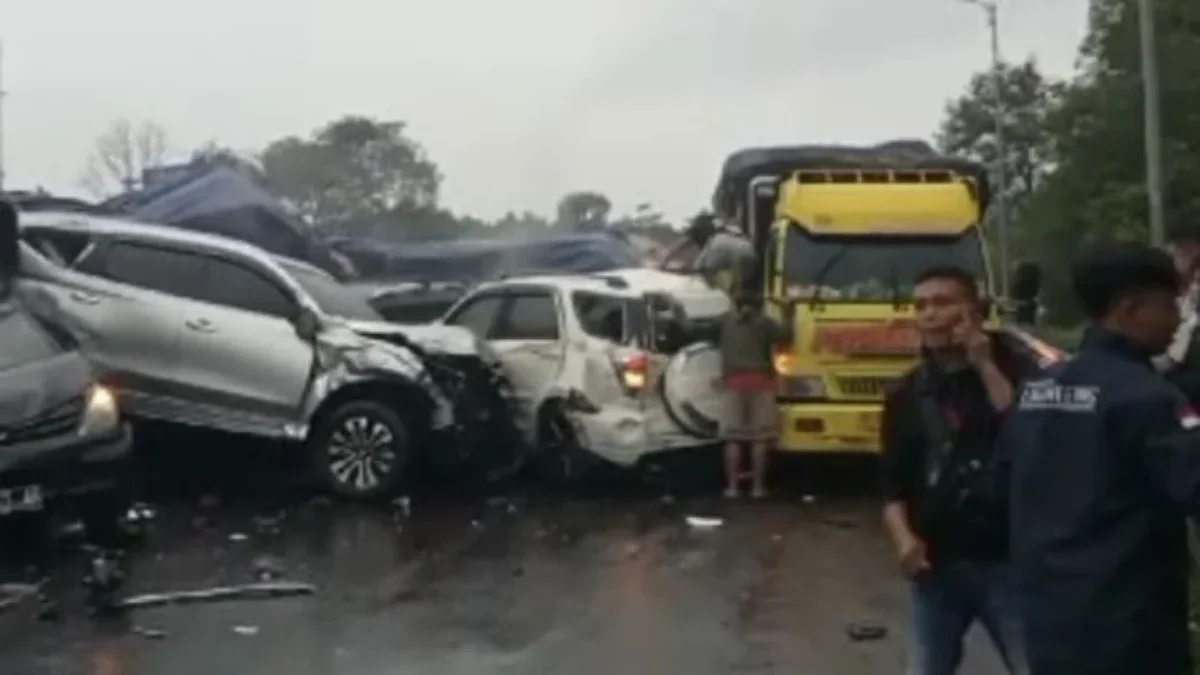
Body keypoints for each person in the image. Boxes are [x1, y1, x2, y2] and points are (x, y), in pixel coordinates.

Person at [1001, 242, 1200, 675]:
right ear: (1129, 309)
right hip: (1132, 632)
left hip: (1049, 623)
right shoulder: (1147, 398)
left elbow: (1006, 484)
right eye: (1170, 305)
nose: (1180, 318)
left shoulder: (1036, 390)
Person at [879, 265, 1036, 675]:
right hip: (936, 565)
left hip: (1007, 560)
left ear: (974, 311)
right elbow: (892, 484)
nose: (929, 314)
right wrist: (904, 541)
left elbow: (1027, 438)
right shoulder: (908, 393)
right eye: (921, 306)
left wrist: (984, 365)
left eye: (943, 303)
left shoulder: (1019, 373)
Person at [718, 289, 789, 499]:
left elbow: (691, 329)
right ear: (759, 306)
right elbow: (786, 335)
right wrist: (789, 312)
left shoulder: (725, 323)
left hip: (733, 382)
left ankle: (732, 488)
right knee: (760, 439)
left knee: (733, 439)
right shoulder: (765, 323)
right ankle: (758, 488)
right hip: (761, 382)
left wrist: (676, 310)